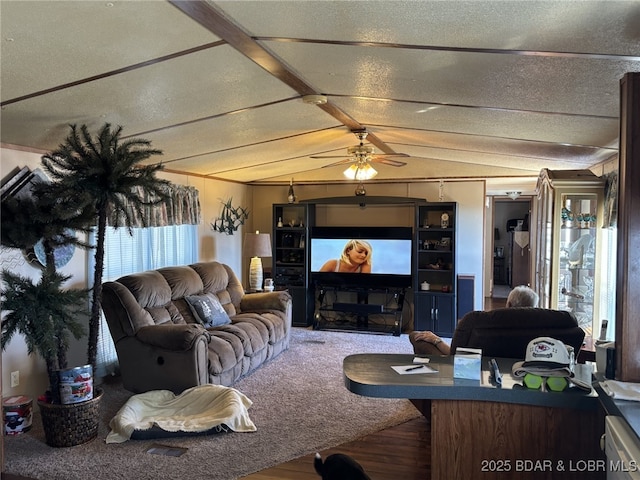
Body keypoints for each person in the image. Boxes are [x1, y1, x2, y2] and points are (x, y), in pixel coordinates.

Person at [410, 285, 539, 355]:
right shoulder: (539, 328)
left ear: (509, 304)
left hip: (470, 372)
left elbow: (455, 355)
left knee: (415, 335)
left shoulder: (477, 321)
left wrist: (435, 339)